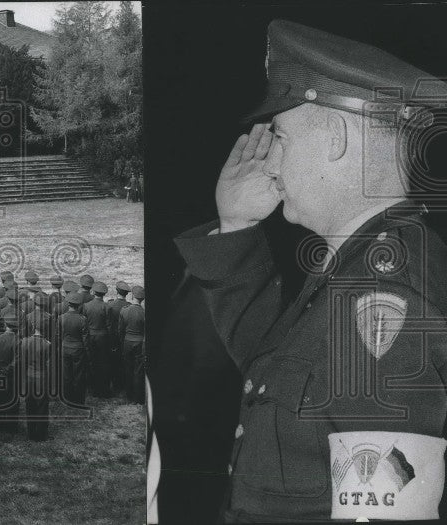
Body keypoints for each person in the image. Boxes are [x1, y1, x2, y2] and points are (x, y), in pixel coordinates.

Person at [172, 20, 447, 522]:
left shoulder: (382, 298)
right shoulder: (361, 266)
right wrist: (235, 226)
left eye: (279, 135)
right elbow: (273, 370)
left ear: (337, 136)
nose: (269, 162)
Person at [118, 286, 145, 404]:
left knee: (128, 369)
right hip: (140, 343)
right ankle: (138, 397)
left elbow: (120, 330)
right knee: (138, 371)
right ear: (142, 299)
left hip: (127, 342)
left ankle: (129, 396)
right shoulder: (144, 312)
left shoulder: (124, 310)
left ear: (132, 296)